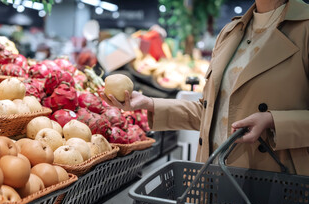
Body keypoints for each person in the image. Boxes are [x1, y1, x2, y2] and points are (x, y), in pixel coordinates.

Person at [101, 0, 309, 175]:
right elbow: (211, 114)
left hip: (273, 181)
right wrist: (149, 103)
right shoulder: (231, 33)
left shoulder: (305, 29)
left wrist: (273, 121)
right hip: (214, 176)